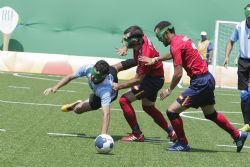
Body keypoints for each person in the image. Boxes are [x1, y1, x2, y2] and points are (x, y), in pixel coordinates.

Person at [141, 21, 248, 152]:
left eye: (159, 37)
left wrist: (169, 90)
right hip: (207, 79)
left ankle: (183, 143)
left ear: (167, 33)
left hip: (200, 83)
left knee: (172, 111)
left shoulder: (175, 44)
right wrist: (156, 59)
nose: (159, 40)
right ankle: (238, 135)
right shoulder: (181, 39)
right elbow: (174, 53)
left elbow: (178, 73)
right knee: (211, 114)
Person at [113, 25, 177, 142]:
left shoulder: (144, 56)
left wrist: (119, 86)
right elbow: (132, 38)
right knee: (148, 107)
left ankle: (137, 134)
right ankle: (172, 132)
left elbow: (138, 80)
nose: (125, 42)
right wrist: (125, 47)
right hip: (155, 78)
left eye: (128, 42)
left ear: (135, 42)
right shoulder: (141, 38)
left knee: (124, 100)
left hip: (151, 81)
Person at [44, 59, 136, 135]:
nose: (92, 77)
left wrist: (103, 135)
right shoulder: (88, 68)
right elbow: (70, 77)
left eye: (96, 77)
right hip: (107, 78)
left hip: (103, 95)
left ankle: (75, 106)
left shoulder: (105, 91)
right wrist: (55, 87)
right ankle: (138, 60)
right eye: (92, 74)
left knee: (77, 110)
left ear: (103, 77)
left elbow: (106, 113)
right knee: (116, 67)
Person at [224, 4, 250, 132]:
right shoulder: (240, 26)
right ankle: (247, 124)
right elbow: (231, 41)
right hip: (243, 63)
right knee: (244, 94)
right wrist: (227, 56)